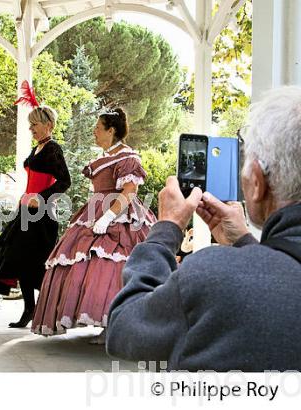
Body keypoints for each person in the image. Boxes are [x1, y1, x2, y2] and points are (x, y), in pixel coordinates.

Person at [106, 86, 301, 371]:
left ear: (257, 182)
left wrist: (165, 231)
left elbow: (125, 326)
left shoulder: (214, 277)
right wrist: (246, 243)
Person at [32, 109, 156, 341]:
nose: (94, 131)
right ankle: (106, 323)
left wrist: (108, 217)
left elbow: (130, 191)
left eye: (98, 128)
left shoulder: (127, 156)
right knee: (82, 261)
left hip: (119, 213)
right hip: (96, 210)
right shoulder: (105, 157)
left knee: (110, 265)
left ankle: (115, 326)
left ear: (111, 130)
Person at [0, 104, 71, 328]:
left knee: (37, 264)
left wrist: (40, 198)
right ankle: (29, 311)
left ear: (49, 125)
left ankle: (51, 310)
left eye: (35, 124)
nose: (31, 128)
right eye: (30, 124)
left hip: (42, 217)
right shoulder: (38, 148)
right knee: (19, 261)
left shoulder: (53, 149)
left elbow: (65, 181)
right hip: (26, 212)